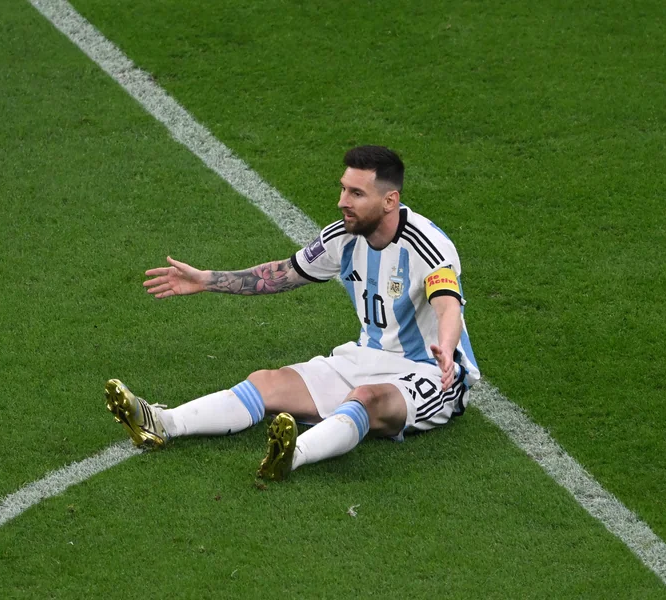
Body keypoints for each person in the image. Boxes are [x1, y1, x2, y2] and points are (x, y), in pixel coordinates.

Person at [105, 145, 480, 481]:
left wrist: (446, 350)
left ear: (389, 200)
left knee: (366, 398)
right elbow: (283, 274)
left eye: (356, 193)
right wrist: (207, 280)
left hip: (431, 371)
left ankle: (291, 455)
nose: (342, 202)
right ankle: (163, 422)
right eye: (343, 189)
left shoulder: (428, 244)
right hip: (366, 356)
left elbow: (447, 304)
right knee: (266, 382)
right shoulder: (343, 237)